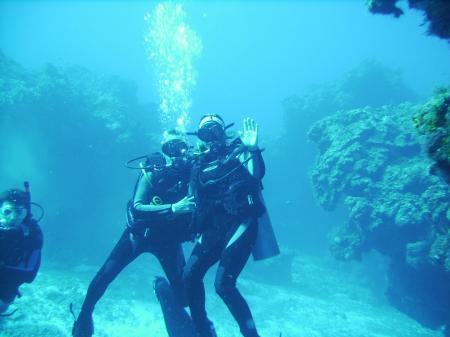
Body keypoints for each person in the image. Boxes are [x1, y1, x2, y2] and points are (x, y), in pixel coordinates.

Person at [72, 130, 196, 337]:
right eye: (169, 148)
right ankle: (85, 317)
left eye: (180, 148)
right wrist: (173, 208)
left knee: (184, 297)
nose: (175, 154)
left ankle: (164, 292)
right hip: (138, 236)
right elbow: (138, 206)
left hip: (169, 241)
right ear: (163, 149)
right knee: (104, 276)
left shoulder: (191, 171)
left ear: (187, 149)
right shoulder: (152, 168)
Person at [183, 115, 274, 337]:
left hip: (240, 223)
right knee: (189, 277)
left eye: (216, 131)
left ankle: (251, 335)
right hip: (212, 228)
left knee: (223, 286)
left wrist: (252, 148)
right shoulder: (198, 163)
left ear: (224, 132)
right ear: (200, 138)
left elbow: (256, 175)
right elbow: (192, 197)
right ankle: (203, 330)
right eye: (206, 133)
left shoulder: (239, 149)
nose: (213, 138)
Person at [0, 186, 43, 316]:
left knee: (2, 306)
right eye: (7, 212)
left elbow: (30, 275)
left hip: (8, 284)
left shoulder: (33, 234)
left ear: (26, 214)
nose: (13, 218)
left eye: (19, 212)